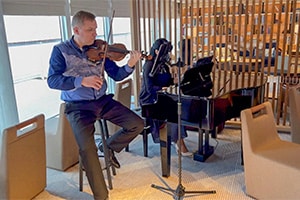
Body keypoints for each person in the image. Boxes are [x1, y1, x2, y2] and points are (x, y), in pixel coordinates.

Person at [47, 10, 144, 200]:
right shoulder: (60, 51)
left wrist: (130, 65)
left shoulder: (101, 49)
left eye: (96, 29)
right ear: (76, 30)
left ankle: (108, 147)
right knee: (87, 150)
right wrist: (81, 81)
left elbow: (116, 75)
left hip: (102, 101)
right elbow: (52, 80)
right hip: (78, 107)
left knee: (137, 124)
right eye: (90, 30)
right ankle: (102, 197)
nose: (95, 34)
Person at [139, 38, 192, 156]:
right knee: (172, 111)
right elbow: (149, 88)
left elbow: (167, 81)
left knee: (180, 106)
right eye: (165, 52)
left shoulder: (163, 64)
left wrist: (175, 80)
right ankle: (179, 142)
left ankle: (177, 138)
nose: (168, 55)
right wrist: (162, 89)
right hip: (149, 99)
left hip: (161, 95)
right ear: (157, 51)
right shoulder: (149, 65)